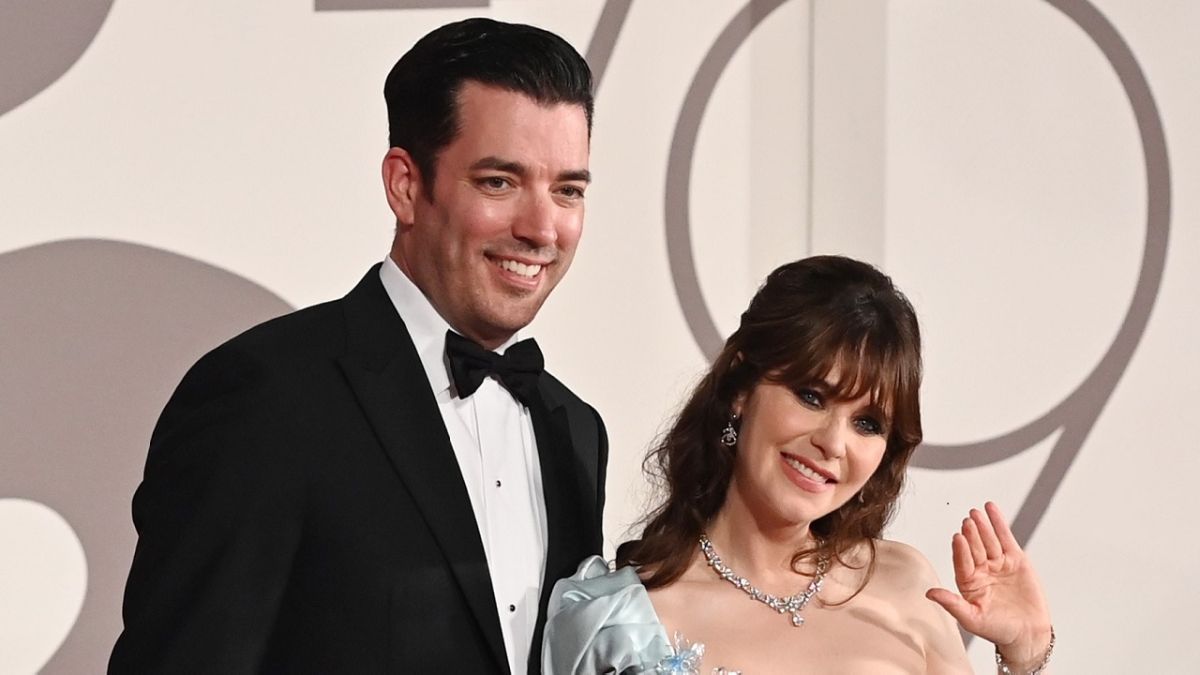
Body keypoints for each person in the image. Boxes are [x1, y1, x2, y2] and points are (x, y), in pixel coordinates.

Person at [110, 18, 607, 675]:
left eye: (567, 190)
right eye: (499, 182)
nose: (542, 227)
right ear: (406, 185)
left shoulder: (574, 430)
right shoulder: (265, 395)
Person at [543, 256, 1054, 674]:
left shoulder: (907, 585)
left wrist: (1025, 656)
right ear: (742, 389)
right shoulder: (622, 624)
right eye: (811, 396)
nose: (833, 442)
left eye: (868, 424)